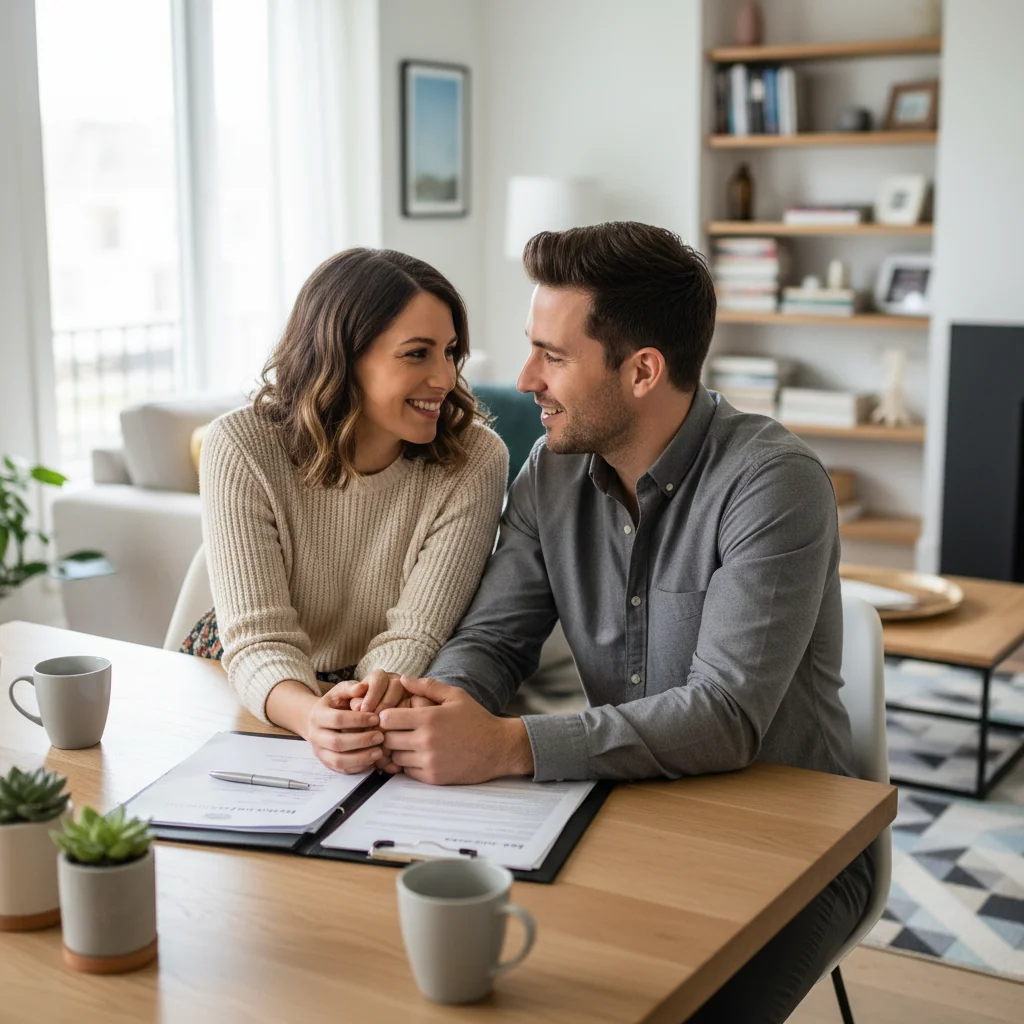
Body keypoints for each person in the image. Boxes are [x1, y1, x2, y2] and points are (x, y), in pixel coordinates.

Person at [373, 222, 872, 1024]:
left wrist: (507, 744)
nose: (528, 377)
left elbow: (726, 717)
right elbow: (495, 639)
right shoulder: (552, 472)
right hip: (620, 813)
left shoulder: (773, 484)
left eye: (554, 355)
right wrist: (437, 707)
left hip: (789, 848)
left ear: (642, 371)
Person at [190, 248, 508, 775]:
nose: (446, 378)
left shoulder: (476, 458)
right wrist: (312, 715)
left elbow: (417, 633)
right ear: (342, 355)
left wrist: (358, 710)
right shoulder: (241, 445)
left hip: (380, 693)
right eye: (417, 354)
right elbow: (257, 638)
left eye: (450, 352)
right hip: (254, 682)